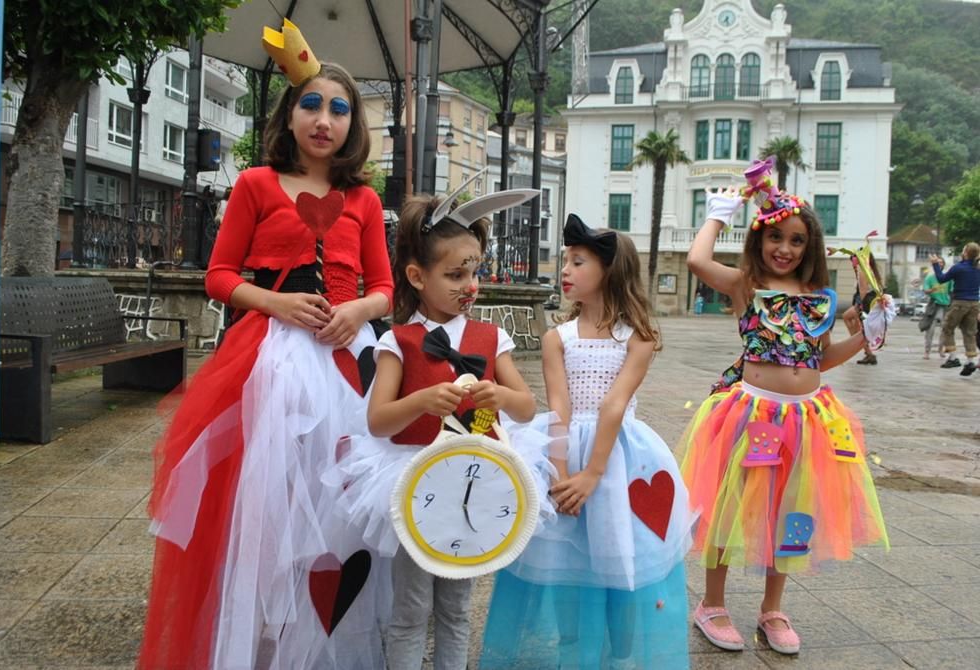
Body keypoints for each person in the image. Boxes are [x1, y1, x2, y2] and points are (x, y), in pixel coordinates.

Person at [138, 21, 394, 670]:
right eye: (311, 104)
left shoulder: (362, 197)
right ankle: (259, 631)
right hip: (269, 357)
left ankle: (322, 635)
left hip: (344, 361)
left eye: (339, 109)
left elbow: (386, 287)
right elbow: (218, 277)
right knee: (267, 497)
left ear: (352, 126)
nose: (324, 119)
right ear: (289, 115)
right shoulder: (255, 183)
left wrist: (356, 311)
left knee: (335, 491)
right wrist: (278, 302)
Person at [323, 182, 548, 670]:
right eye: (454, 274)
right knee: (411, 606)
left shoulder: (492, 337)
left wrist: (500, 395)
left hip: (477, 480)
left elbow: (527, 408)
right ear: (416, 276)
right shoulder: (398, 342)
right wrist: (421, 400)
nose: (470, 285)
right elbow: (378, 420)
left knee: (457, 604)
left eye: (475, 271)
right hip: (416, 480)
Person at [678, 165, 888, 656]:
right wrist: (717, 217)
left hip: (806, 419)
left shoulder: (819, 299)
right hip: (752, 415)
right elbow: (695, 260)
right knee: (730, 507)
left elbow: (822, 358)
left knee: (791, 512)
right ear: (759, 240)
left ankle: (773, 608)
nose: (785, 249)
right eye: (775, 237)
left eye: (796, 240)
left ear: (808, 248)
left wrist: (867, 334)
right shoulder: (745, 286)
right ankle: (712, 603)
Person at [480, 214, 693, 669]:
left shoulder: (638, 336)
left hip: (618, 459)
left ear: (610, 271)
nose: (566, 270)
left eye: (578, 261)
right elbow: (558, 408)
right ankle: (573, 650)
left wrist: (593, 474)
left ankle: (618, 656)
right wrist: (560, 477)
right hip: (565, 453)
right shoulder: (558, 336)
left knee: (620, 561)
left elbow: (615, 405)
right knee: (564, 563)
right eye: (566, 261)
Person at [930, 243, 980, 376]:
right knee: (969, 332)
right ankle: (970, 361)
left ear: (965, 253)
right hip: (975, 303)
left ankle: (953, 357)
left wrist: (935, 264)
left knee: (947, 327)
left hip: (960, 302)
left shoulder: (959, 268)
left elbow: (941, 279)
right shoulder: (978, 268)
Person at [850, 253, 884, 365]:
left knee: (858, 327)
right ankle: (867, 351)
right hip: (870, 301)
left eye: (854, 260)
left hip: (865, 302)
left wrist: (857, 306)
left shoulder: (863, 271)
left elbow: (863, 291)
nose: (853, 263)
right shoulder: (871, 270)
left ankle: (866, 350)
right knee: (858, 326)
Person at [920, 257, 952, 360]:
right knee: (930, 330)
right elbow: (925, 290)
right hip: (934, 305)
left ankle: (940, 349)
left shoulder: (948, 278)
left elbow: (952, 290)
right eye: (938, 263)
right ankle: (927, 351)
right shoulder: (929, 278)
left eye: (942, 263)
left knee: (945, 329)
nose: (940, 265)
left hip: (945, 305)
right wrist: (931, 290)